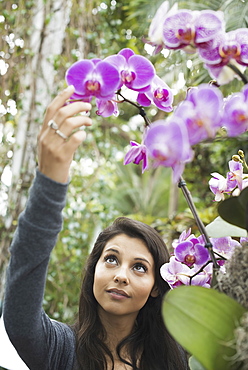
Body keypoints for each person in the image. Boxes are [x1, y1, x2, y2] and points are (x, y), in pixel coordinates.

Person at [3, 86, 188, 370]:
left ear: (155, 287)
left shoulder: (176, 356)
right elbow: (20, 304)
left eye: (139, 267)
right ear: (94, 269)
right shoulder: (59, 348)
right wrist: (51, 178)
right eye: (111, 259)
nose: (121, 276)